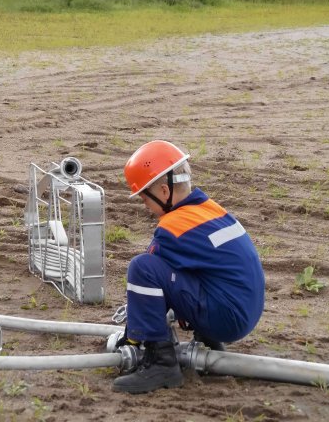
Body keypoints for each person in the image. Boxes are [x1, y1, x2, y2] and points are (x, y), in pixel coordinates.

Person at [113, 140, 265, 394]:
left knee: (142, 267)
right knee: (187, 269)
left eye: (144, 198)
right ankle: (210, 343)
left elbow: (151, 274)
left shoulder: (173, 227)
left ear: (164, 191)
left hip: (226, 317)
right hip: (245, 310)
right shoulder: (208, 208)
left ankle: (161, 363)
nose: (146, 207)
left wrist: (132, 336)